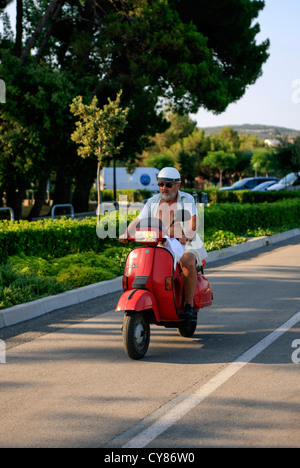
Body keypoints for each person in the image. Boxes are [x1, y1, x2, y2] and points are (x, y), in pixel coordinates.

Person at [120, 167, 207, 320]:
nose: (164, 188)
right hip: (161, 243)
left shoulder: (187, 199)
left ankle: (188, 306)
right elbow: (138, 220)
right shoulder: (152, 201)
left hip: (185, 243)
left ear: (178, 185)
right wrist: (126, 233)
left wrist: (187, 235)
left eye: (168, 184)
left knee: (186, 260)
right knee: (147, 262)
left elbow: (193, 223)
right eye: (161, 184)